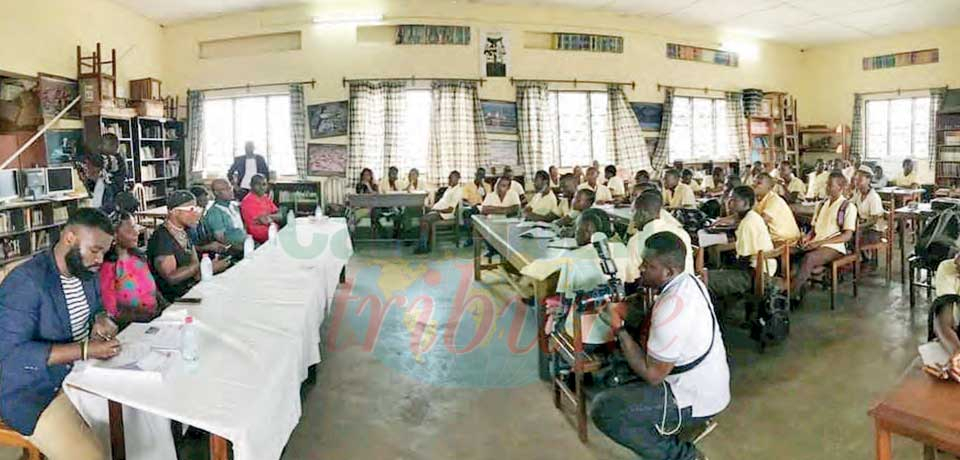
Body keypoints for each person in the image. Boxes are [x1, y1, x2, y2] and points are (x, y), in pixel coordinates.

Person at [592, 231, 730, 460]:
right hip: (707, 378)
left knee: (605, 410)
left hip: (695, 395)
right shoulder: (689, 281)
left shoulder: (671, 308)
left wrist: (618, 327)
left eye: (648, 266)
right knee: (621, 368)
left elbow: (653, 375)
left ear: (669, 271)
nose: (640, 269)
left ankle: (684, 456)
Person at [0, 208, 120, 459]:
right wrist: (86, 349)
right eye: (95, 250)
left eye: (104, 252)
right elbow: (11, 353)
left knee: (129, 418)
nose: (100, 260)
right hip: (33, 388)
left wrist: (101, 320)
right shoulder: (27, 282)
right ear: (69, 238)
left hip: (79, 372)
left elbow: (98, 307)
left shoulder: (85, 271)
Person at [707, 186, 776, 320]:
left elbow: (743, 261)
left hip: (757, 273)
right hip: (761, 267)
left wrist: (724, 272)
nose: (729, 202)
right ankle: (721, 313)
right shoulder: (751, 216)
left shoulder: (748, 223)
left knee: (707, 278)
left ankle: (714, 319)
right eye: (729, 199)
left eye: (734, 200)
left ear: (745, 203)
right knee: (718, 273)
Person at [149, 191, 232, 301]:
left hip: (192, 287)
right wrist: (206, 267)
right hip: (177, 299)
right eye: (191, 210)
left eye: (196, 209)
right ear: (174, 212)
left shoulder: (183, 231)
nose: (197, 213)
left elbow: (194, 270)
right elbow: (172, 278)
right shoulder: (162, 238)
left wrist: (210, 267)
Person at [792, 172, 857, 292]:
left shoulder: (847, 207)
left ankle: (791, 294)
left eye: (830, 185)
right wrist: (807, 237)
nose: (826, 187)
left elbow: (847, 235)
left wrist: (820, 242)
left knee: (809, 258)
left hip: (834, 247)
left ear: (840, 188)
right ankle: (796, 286)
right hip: (817, 243)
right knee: (791, 252)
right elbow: (814, 229)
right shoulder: (821, 205)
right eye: (827, 184)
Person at [100, 212, 163, 328]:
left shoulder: (138, 258)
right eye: (130, 230)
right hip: (132, 327)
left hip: (156, 320)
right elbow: (112, 312)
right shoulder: (109, 268)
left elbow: (154, 291)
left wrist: (166, 308)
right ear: (114, 235)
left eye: (135, 227)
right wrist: (144, 316)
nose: (137, 232)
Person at [624, 190, 694, 287]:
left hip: (657, 294)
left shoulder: (637, 240)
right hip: (687, 286)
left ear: (643, 213)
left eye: (633, 212)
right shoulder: (681, 232)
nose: (632, 218)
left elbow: (630, 279)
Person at [414, 171, 463, 254]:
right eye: (449, 178)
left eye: (451, 178)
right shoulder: (450, 188)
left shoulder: (457, 191)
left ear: (458, 179)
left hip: (445, 214)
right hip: (438, 211)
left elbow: (450, 209)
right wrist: (433, 208)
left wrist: (436, 210)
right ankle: (426, 244)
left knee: (424, 220)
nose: (449, 180)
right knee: (422, 216)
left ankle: (423, 247)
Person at [754, 173, 801, 244]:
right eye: (754, 182)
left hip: (785, 241)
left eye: (759, 183)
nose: (754, 185)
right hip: (773, 238)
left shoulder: (774, 200)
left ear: (769, 187)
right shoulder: (758, 199)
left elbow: (760, 222)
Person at [202, 178, 250, 248]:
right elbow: (221, 239)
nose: (231, 191)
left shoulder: (234, 205)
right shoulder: (214, 212)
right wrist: (245, 248)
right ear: (216, 193)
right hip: (232, 250)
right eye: (226, 189)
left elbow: (243, 227)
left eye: (230, 188)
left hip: (246, 243)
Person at [851, 165, 887, 246]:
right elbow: (850, 204)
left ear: (868, 180)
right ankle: (861, 256)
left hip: (875, 230)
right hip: (864, 226)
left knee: (851, 237)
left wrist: (859, 227)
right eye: (856, 179)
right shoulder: (858, 194)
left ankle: (861, 257)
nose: (857, 182)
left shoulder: (873, 197)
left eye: (860, 179)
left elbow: (874, 220)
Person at [240, 174, 281, 244]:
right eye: (258, 184)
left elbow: (280, 215)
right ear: (251, 185)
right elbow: (263, 220)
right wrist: (273, 217)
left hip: (273, 232)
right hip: (260, 238)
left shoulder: (264, 198)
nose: (262, 187)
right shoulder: (248, 201)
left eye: (264, 184)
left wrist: (270, 217)